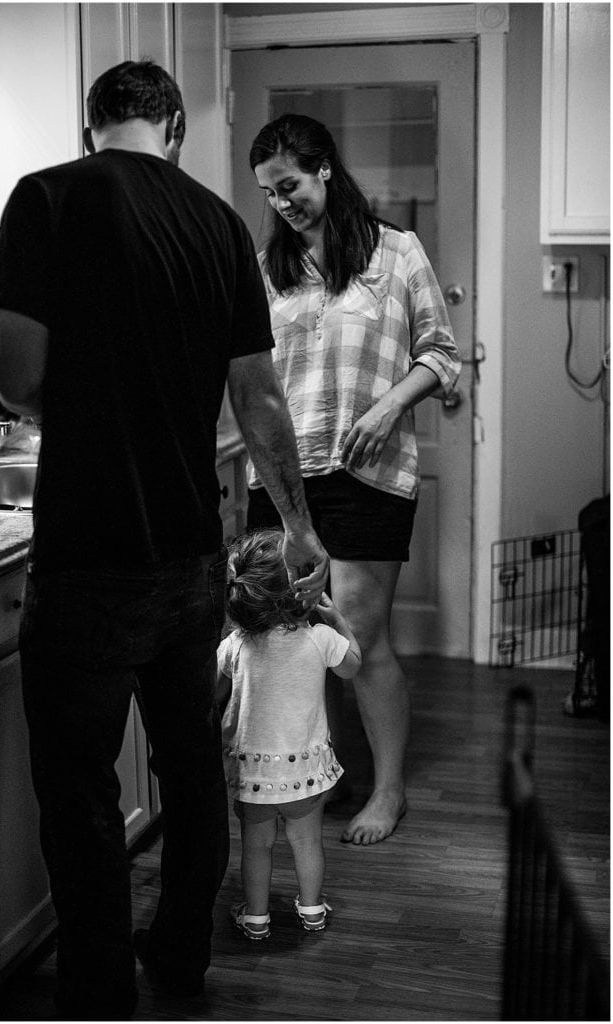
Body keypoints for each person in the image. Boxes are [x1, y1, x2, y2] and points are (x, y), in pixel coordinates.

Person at [0, 63, 329, 1019]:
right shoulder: (218, 224)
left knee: (82, 791)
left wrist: (91, 414)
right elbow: (259, 400)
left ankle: (97, 989)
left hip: (88, 558)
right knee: (190, 769)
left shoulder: (46, 197)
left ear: (90, 124)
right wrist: (297, 526)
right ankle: (179, 960)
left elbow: (15, 379)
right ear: (172, 125)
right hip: (189, 560)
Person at [246, 114, 461, 847]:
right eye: (271, 194)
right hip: (281, 475)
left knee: (359, 632)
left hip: (367, 471)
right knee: (299, 634)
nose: (282, 203)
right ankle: (323, 777)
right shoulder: (265, 269)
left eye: (291, 185)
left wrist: (391, 404)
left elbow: (441, 353)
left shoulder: (395, 252)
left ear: (325, 169)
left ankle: (389, 789)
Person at [217, 529, 361, 939]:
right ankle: (312, 910)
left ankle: (257, 917)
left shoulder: (237, 644)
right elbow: (353, 666)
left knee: (256, 846)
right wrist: (336, 618)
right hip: (306, 770)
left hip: (253, 774)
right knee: (307, 841)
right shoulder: (320, 639)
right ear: (303, 592)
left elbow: (209, 688)